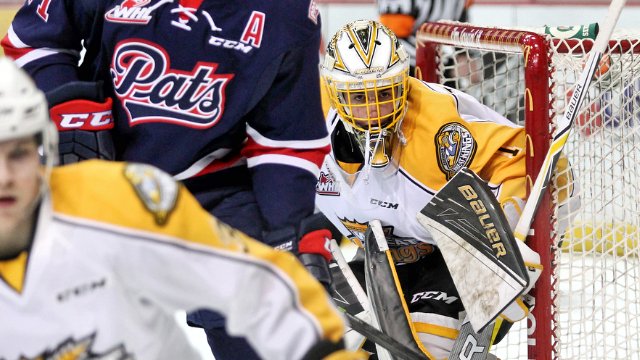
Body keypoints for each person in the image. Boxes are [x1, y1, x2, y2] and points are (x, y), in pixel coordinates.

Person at [2, 1, 331, 358]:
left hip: (212, 184)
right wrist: (67, 108)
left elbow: (284, 140)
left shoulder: (286, 13)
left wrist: (288, 231)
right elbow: (31, 42)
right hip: (99, 175)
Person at [316, 20, 577, 359]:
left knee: (430, 347)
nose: (374, 111)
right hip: (380, 263)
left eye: (383, 93)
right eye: (358, 98)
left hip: (453, 259)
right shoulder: (304, 125)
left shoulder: (438, 129)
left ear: (403, 82)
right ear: (334, 92)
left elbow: (548, 168)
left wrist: (508, 240)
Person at [376, 0, 474, 74]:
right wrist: (445, 63)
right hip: (404, 65)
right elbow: (393, 39)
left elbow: (461, 18)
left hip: (438, 60)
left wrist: (462, 55)